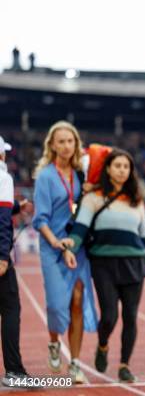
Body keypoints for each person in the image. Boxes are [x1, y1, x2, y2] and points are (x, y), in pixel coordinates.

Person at [63, 149, 145, 383]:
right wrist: (69, 247)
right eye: (117, 166)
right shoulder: (94, 197)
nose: (122, 170)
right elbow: (80, 229)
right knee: (109, 316)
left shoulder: (136, 200)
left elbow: (143, 237)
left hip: (134, 264)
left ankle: (125, 365)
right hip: (103, 263)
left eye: (126, 167)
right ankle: (103, 344)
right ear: (108, 169)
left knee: (130, 316)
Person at [32, 121, 98, 383]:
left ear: (75, 143)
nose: (66, 146)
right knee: (56, 304)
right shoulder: (46, 176)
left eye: (70, 141)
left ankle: (76, 363)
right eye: (61, 141)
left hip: (77, 245)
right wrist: (56, 243)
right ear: (52, 145)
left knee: (78, 300)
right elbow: (40, 219)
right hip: (52, 247)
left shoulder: (82, 174)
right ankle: (53, 342)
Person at [0, 136, 34, 388]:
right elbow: (1, 219)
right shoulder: (3, 177)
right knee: (11, 309)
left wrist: (16, 207)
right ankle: (14, 372)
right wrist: (2, 255)